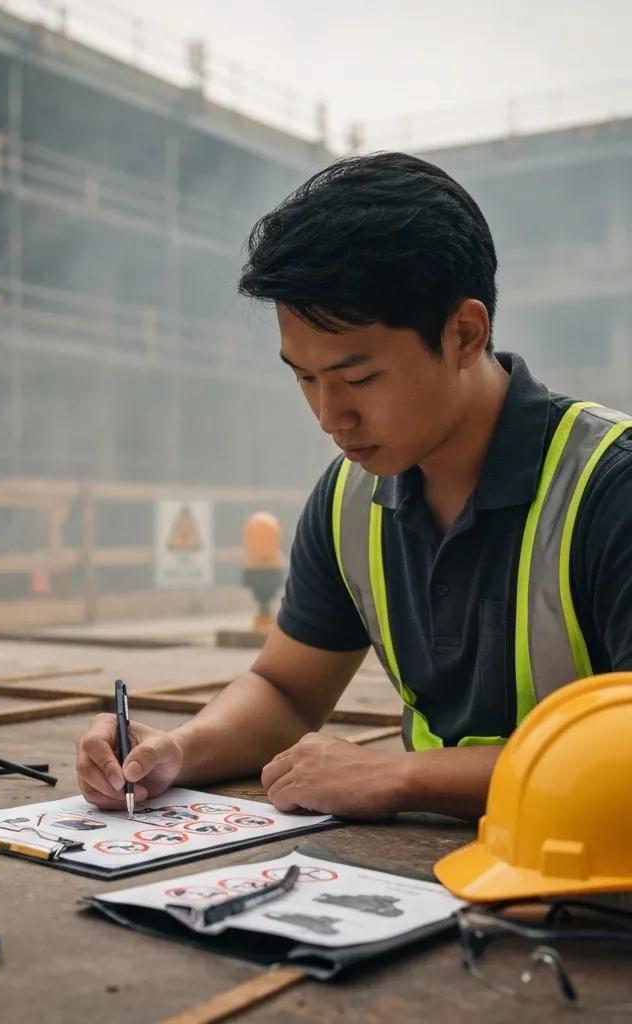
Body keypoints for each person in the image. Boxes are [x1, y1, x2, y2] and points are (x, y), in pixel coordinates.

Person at [75, 152, 632, 821]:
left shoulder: (609, 488)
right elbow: (285, 691)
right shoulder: (351, 499)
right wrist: (176, 750)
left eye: (359, 378)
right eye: (304, 378)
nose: (328, 416)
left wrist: (405, 778)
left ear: (464, 333)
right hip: (425, 869)